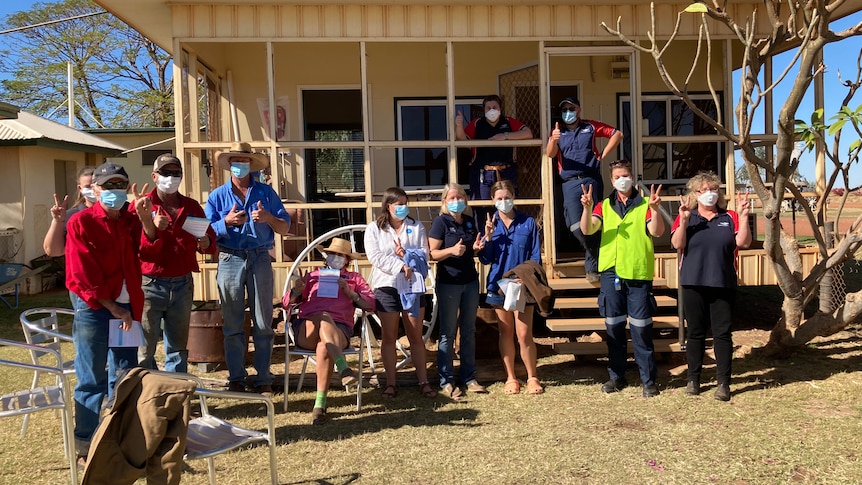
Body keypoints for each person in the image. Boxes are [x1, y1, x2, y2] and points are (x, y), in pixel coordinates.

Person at [65, 161, 149, 464]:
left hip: (128, 310)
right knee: (91, 377)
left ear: (125, 188)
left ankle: (117, 435)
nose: (114, 191)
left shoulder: (131, 220)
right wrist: (114, 309)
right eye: (107, 185)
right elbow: (81, 275)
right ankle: (86, 445)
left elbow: (152, 249)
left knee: (125, 375)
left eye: (119, 185)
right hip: (96, 311)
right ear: (95, 189)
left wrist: (146, 219)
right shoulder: (81, 222)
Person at [205, 142, 291, 396]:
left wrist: (268, 219)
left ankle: (263, 377)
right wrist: (226, 222)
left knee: (264, 321)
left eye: (244, 161)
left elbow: (284, 227)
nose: (240, 165)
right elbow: (205, 234)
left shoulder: (266, 193)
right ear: (229, 165)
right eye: (235, 161)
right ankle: (236, 378)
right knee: (232, 322)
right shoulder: (217, 196)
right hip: (229, 258)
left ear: (251, 164)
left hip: (259, 257)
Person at [580, 160, 665, 397]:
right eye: (617, 176)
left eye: (625, 175)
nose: (622, 179)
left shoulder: (647, 203)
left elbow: (657, 232)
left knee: (641, 329)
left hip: (638, 272)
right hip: (610, 272)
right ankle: (616, 377)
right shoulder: (603, 205)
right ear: (612, 180)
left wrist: (656, 210)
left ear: (633, 177)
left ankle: (648, 381)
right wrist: (586, 208)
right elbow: (588, 230)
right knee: (614, 328)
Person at [671, 171, 751, 402]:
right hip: (692, 282)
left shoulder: (730, 217)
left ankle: (723, 383)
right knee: (695, 333)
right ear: (694, 194)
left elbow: (743, 242)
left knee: (722, 334)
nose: (709, 194)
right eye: (703, 190)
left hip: (722, 282)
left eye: (713, 189)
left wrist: (744, 216)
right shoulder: (688, 216)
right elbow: (677, 244)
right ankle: (693, 379)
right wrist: (684, 220)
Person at [136, 154, 217, 373]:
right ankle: (145, 396)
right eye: (165, 173)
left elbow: (209, 242)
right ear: (154, 176)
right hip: (149, 284)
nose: (171, 178)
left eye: (176, 173)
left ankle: (176, 397)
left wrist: (206, 241)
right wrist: (149, 225)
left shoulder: (191, 206)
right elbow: (138, 249)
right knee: (144, 347)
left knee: (178, 348)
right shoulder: (143, 206)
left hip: (182, 283)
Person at [283, 238, 375, 424]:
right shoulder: (313, 276)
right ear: (327, 256)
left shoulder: (354, 278)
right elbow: (286, 303)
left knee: (324, 346)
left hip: (338, 329)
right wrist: (296, 291)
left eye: (341, 255)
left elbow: (371, 305)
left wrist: (351, 294)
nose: (336, 258)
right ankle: (343, 368)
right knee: (323, 316)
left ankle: (320, 405)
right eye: (333, 254)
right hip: (308, 327)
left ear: (347, 260)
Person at [364, 187, 435, 399]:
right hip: (387, 285)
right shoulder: (374, 229)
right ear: (388, 206)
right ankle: (391, 383)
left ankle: (423, 381)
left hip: (413, 285)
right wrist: (399, 265)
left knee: (416, 336)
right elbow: (374, 257)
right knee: (389, 336)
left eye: (406, 203)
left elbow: (424, 254)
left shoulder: (416, 226)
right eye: (399, 204)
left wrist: (407, 256)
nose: (403, 208)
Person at [477, 180, 544, 395]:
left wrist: (525, 277)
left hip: (522, 284)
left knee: (524, 334)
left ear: (513, 197)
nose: (503, 202)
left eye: (507, 197)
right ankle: (511, 377)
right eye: (499, 199)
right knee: (505, 333)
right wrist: (487, 237)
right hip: (499, 286)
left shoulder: (528, 223)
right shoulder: (490, 225)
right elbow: (485, 259)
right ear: (492, 201)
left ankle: (532, 377)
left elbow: (535, 256)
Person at [546, 97, 623, 282]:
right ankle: (596, 254)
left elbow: (617, 134)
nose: (567, 112)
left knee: (594, 222)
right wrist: (553, 140)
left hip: (591, 179)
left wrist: (603, 155)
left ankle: (592, 268)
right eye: (564, 109)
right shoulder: (558, 131)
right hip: (569, 183)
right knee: (575, 225)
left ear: (578, 109)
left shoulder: (590, 127)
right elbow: (549, 154)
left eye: (571, 108)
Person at [429, 183, 487, 399]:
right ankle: (446, 380)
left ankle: (469, 377)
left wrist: (476, 249)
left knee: (469, 330)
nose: (457, 201)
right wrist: (451, 250)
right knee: (447, 332)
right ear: (445, 201)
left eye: (460, 197)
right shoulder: (440, 222)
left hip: (470, 282)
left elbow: (469, 249)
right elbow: (431, 254)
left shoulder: (470, 221)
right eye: (452, 198)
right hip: (449, 283)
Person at [455, 94, 533, 200]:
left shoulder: (508, 121)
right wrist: (459, 125)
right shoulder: (477, 123)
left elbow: (528, 133)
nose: (492, 110)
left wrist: (505, 136)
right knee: (481, 208)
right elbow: (462, 140)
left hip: (506, 171)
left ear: (500, 108)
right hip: (483, 173)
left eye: (494, 107)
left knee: (507, 206)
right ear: (484, 110)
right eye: (488, 108)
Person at [44, 166, 97, 257]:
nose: (93, 190)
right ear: (80, 188)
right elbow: (53, 251)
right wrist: (57, 221)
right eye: (88, 187)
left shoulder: (118, 212)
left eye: (95, 185)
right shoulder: (72, 216)